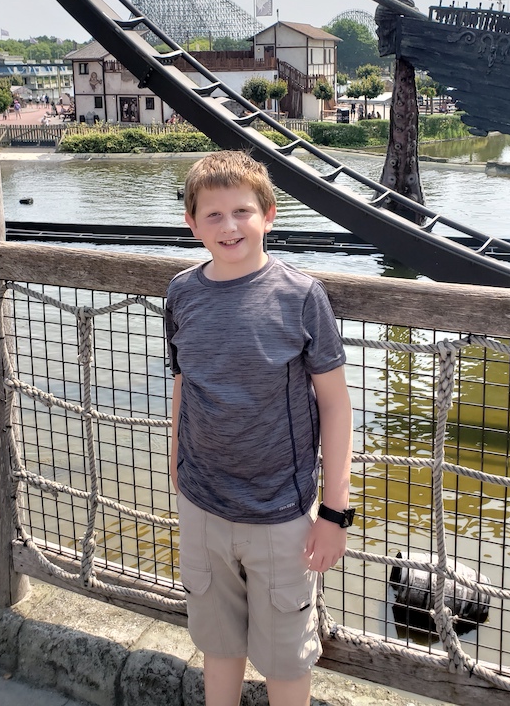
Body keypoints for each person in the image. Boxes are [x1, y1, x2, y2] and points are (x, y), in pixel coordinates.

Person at [165, 150, 353, 706]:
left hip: (282, 515)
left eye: (242, 211)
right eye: (213, 215)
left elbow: (337, 407)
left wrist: (335, 511)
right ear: (191, 223)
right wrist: (175, 461)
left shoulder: (300, 297)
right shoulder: (181, 293)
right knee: (217, 646)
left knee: (285, 659)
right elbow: (183, 381)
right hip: (201, 503)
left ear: (268, 215)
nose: (229, 226)